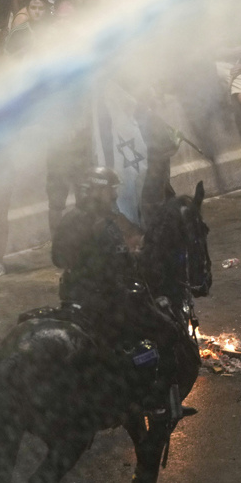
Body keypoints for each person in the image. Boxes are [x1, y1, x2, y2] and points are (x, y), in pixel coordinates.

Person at [52, 168, 193, 413]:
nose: (114, 197)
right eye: (110, 192)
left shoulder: (70, 219)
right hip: (107, 301)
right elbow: (121, 267)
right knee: (168, 332)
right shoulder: (103, 226)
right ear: (96, 191)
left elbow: (57, 258)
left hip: (73, 298)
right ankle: (160, 403)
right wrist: (136, 257)